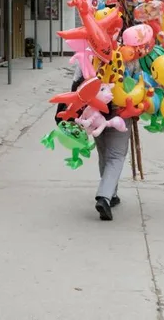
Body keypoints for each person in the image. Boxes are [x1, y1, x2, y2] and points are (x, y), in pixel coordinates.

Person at [55, 65, 130, 222]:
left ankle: (111, 194)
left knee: (104, 153)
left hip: (92, 112)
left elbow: (76, 85)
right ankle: (105, 196)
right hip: (120, 111)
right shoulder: (130, 58)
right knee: (116, 155)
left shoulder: (89, 57)